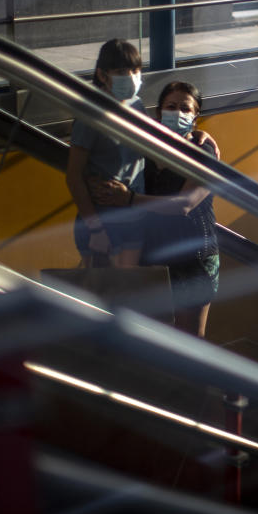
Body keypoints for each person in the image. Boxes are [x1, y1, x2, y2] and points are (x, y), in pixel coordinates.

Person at [89, 81, 220, 337]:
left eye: (186, 108)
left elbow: (186, 204)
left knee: (189, 340)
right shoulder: (145, 147)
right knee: (152, 336)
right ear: (159, 113)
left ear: (196, 116)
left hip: (193, 257)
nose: (178, 113)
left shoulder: (203, 152)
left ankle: (189, 379)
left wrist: (129, 199)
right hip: (152, 255)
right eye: (171, 106)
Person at [66, 39, 148, 267]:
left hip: (132, 215)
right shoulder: (91, 113)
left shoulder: (136, 105)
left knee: (127, 292)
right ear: (102, 75)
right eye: (122, 71)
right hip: (102, 219)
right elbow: (73, 176)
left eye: (135, 70)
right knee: (103, 295)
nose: (131, 77)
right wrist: (96, 229)